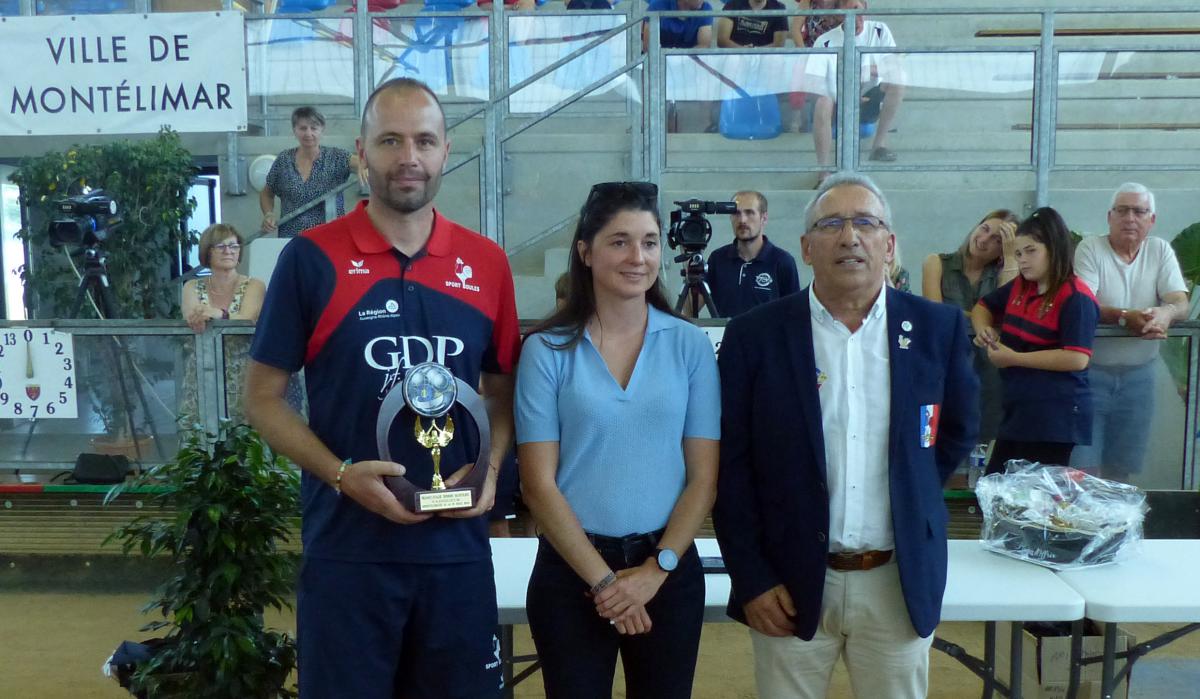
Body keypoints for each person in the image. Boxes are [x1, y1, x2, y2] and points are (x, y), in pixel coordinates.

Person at [244, 78, 520, 699]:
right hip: (348, 553)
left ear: (446, 150)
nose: (409, 157)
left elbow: (501, 390)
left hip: (456, 555)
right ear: (362, 156)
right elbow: (260, 397)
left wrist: (492, 469)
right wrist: (341, 475)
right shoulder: (310, 258)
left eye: (424, 140)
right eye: (390, 141)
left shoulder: (487, 263)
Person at [713, 173, 978, 699]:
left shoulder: (937, 330)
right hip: (787, 582)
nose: (850, 236)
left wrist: (908, 489)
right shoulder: (755, 335)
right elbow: (731, 469)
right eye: (831, 224)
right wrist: (752, 579)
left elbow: (954, 434)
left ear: (890, 245)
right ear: (807, 248)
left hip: (896, 581)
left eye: (866, 223)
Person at [516, 181, 720, 698]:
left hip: (667, 569)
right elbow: (538, 485)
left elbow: (703, 477)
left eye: (650, 242)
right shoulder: (546, 350)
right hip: (571, 571)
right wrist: (605, 583)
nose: (638, 257)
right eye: (620, 241)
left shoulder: (691, 346)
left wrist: (657, 571)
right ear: (585, 252)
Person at [1071, 183, 1190, 481]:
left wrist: (1165, 313)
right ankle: (1085, 528)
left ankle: (1119, 527)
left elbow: (1179, 300)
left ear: (1152, 220)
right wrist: (1125, 317)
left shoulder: (1159, 249)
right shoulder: (1090, 248)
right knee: (1082, 469)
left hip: (1140, 377)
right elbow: (1085, 304)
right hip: (1090, 375)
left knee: (1122, 468)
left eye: (1139, 211)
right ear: (1109, 217)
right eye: (1122, 210)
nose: (1130, 218)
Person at [972, 207, 1099, 474]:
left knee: (1036, 498)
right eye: (1018, 254)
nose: (1023, 261)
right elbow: (983, 306)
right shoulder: (1021, 285)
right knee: (997, 485)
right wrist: (984, 329)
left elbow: (1076, 357)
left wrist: (1014, 358)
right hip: (1018, 411)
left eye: (1031, 251)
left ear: (1053, 249)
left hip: (1054, 418)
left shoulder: (1076, 297)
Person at [922, 209, 1020, 443]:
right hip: (947, 363)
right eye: (984, 229)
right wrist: (983, 318)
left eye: (998, 239)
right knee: (944, 436)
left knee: (987, 438)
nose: (984, 240)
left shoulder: (1001, 272)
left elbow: (1006, 312)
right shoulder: (936, 262)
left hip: (989, 371)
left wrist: (1011, 258)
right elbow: (936, 312)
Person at [805, 0, 905, 183]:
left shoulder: (879, 30)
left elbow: (895, 65)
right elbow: (814, 83)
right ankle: (824, 172)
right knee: (822, 101)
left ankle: (879, 145)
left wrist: (863, 71)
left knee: (897, 81)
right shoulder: (824, 41)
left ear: (865, 10)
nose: (854, 17)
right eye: (846, 12)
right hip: (838, 102)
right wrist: (843, 95)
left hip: (870, 97)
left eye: (856, 10)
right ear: (837, 16)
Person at [180, 224, 266, 424]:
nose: (228, 251)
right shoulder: (191, 286)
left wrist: (218, 313)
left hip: (244, 372)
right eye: (220, 246)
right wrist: (211, 316)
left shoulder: (254, 285)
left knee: (244, 440)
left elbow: (247, 318)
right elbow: (193, 318)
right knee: (198, 436)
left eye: (234, 246)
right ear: (207, 251)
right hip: (201, 371)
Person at [259, 106, 361, 238]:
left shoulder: (336, 157)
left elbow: (367, 164)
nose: (308, 133)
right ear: (294, 130)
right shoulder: (284, 160)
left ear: (322, 129)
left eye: (314, 128)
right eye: (302, 128)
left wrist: (364, 166)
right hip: (292, 239)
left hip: (331, 238)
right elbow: (267, 193)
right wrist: (268, 214)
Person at [704, 190, 800, 317]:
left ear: (764, 218)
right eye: (736, 213)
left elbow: (794, 314)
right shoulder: (717, 259)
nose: (742, 220)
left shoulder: (782, 261)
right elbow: (690, 306)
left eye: (749, 213)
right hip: (726, 336)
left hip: (768, 336)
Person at [717, 0, 788, 48]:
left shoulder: (779, 8)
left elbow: (779, 44)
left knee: (774, 61)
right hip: (736, 56)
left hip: (765, 57)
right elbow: (722, 40)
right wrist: (743, 51)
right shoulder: (733, 4)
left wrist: (755, 52)